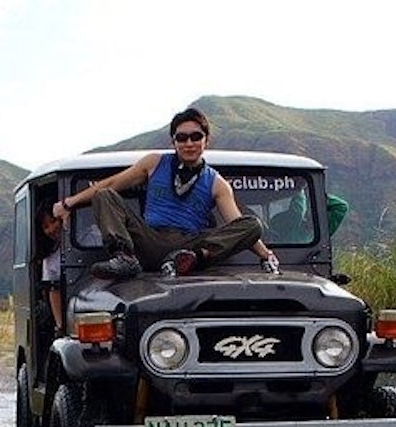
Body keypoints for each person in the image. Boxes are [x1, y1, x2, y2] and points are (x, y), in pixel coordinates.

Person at [52, 107, 280, 279]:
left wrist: (265, 254)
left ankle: (192, 259)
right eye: (181, 137)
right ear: (173, 141)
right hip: (149, 238)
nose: (188, 143)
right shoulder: (154, 163)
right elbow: (113, 182)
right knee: (105, 194)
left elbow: (237, 224)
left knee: (252, 224)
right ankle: (124, 257)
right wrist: (70, 203)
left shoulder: (217, 183)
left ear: (206, 140)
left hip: (189, 244)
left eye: (195, 136)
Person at [35, 200, 65, 334]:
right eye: (46, 226)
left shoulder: (91, 236)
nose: (51, 229)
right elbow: (54, 289)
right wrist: (60, 324)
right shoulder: (50, 257)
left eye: (53, 221)